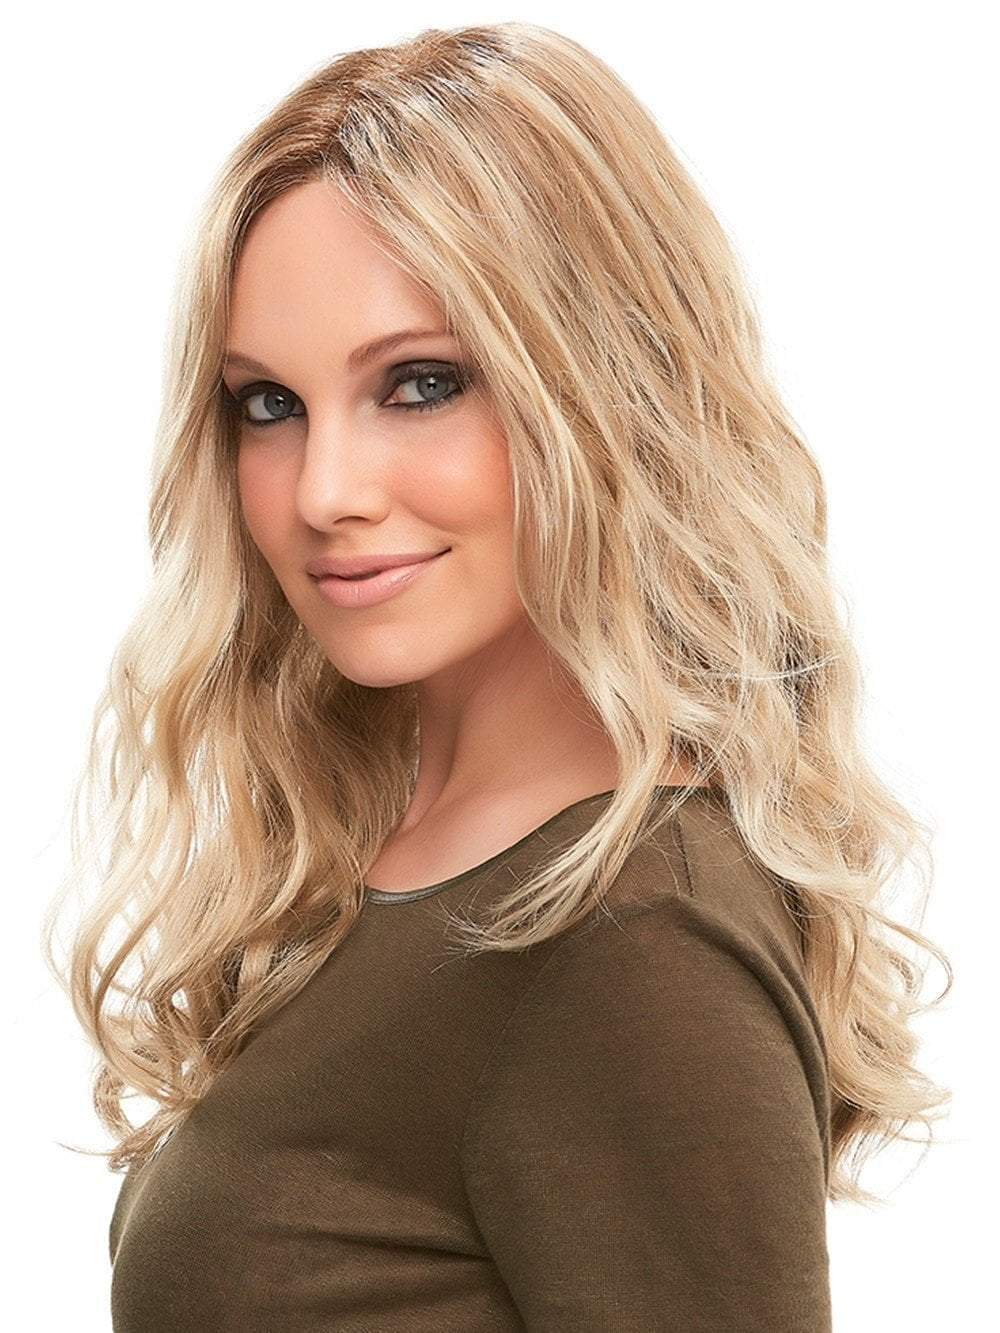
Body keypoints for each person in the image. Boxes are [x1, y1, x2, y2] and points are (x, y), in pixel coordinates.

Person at [41, 21, 953, 1332]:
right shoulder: (379, 853)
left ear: (609, 387)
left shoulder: (635, 937)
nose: (324, 491)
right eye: (269, 405)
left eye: (420, 384)